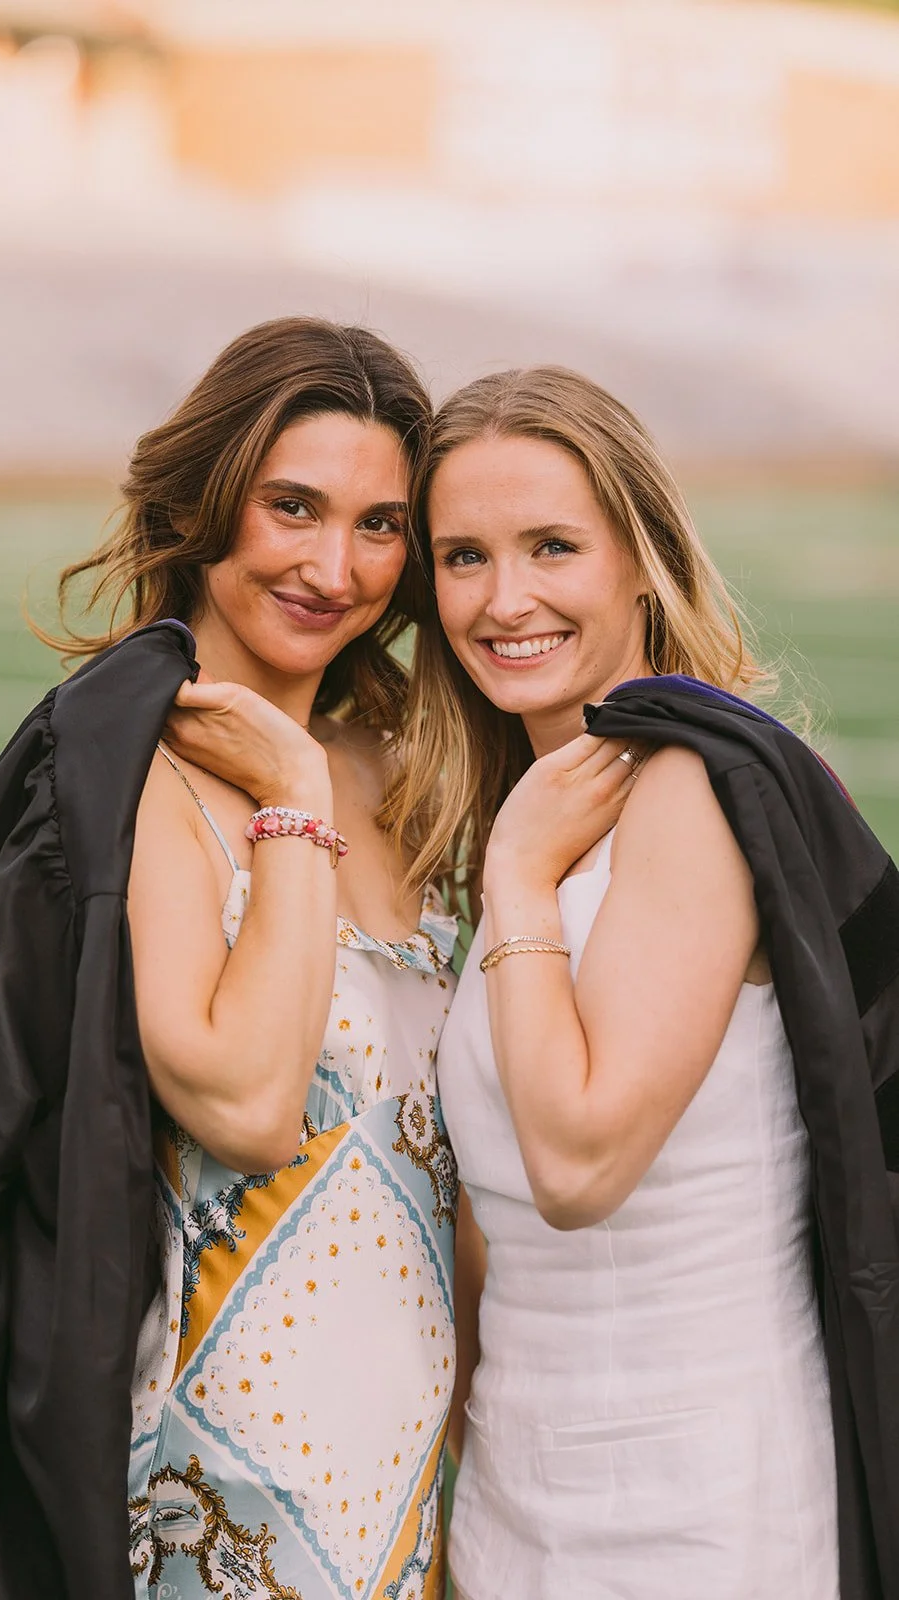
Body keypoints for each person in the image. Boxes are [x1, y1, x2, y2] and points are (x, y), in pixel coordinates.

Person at [386, 367, 843, 1598]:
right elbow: (487, 1226)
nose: (506, 597)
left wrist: (522, 881)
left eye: (550, 545)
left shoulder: (687, 794)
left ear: (640, 559)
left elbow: (580, 1164)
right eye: (463, 556)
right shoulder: (526, 812)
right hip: (515, 1496)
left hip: (692, 1510)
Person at [44, 318, 459, 1599]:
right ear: (208, 498)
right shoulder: (138, 774)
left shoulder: (403, 765)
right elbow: (247, 1101)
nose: (335, 566)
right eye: (293, 506)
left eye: (380, 524)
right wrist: (288, 794)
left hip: (420, 1455)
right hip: (231, 1473)